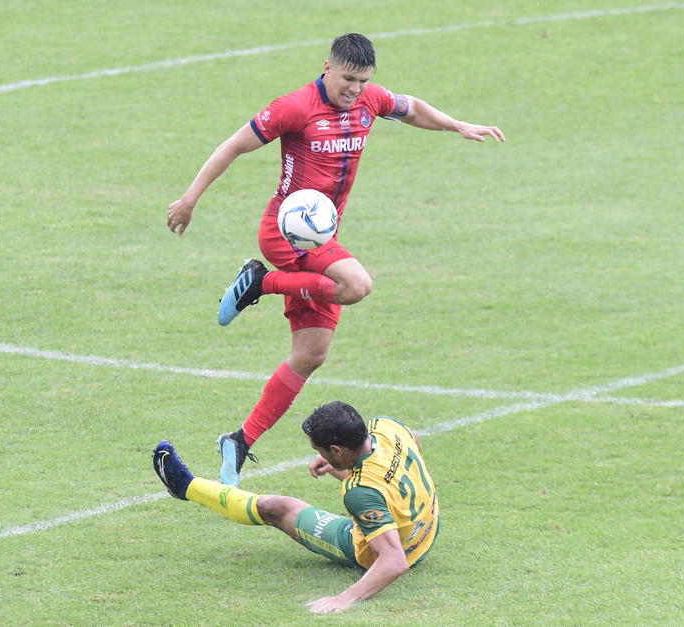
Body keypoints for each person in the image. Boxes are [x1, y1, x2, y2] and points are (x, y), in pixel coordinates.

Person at [166, 33, 504, 486]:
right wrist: (189, 199)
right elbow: (233, 146)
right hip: (284, 234)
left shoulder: (369, 100)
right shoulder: (295, 107)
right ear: (327, 67)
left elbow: (412, 108)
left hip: (320, 239)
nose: (354, 89)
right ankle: (260, 282)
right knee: (356, 285)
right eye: (347, 79)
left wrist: (457, 124)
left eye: (362, 81)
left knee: (311, 354)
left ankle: (239, 441)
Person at [152, 401, 439, 614]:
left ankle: (185, 487)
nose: (319, 455)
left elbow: (394, 561)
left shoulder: (360, 491)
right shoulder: (387, 427)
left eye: (321, 450)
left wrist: (344, 599)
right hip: (426, 529)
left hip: (397, 550)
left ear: (337, 449)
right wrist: (342, 466)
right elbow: (413, 446)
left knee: (276, 507)